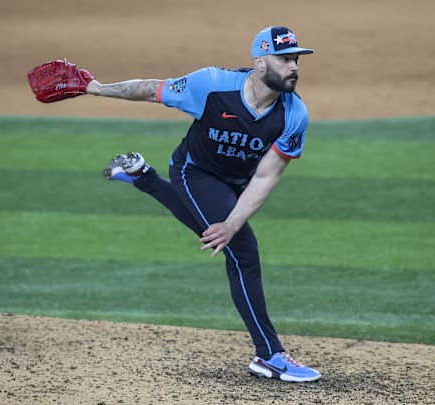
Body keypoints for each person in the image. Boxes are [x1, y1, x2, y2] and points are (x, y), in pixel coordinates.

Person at [85, 26, 320, 383]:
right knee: (242, 251)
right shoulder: (211, 85)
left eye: (297, 59)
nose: (294, 67)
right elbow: (152, 89)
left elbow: (265, 178)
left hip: (238, 182)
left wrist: (231, 222)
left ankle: (141, 177)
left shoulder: (294, 115)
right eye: (285, 59)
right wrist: (98, 88)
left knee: (224, 233)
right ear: (260, 63)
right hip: (194, 172)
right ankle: (269, 355)